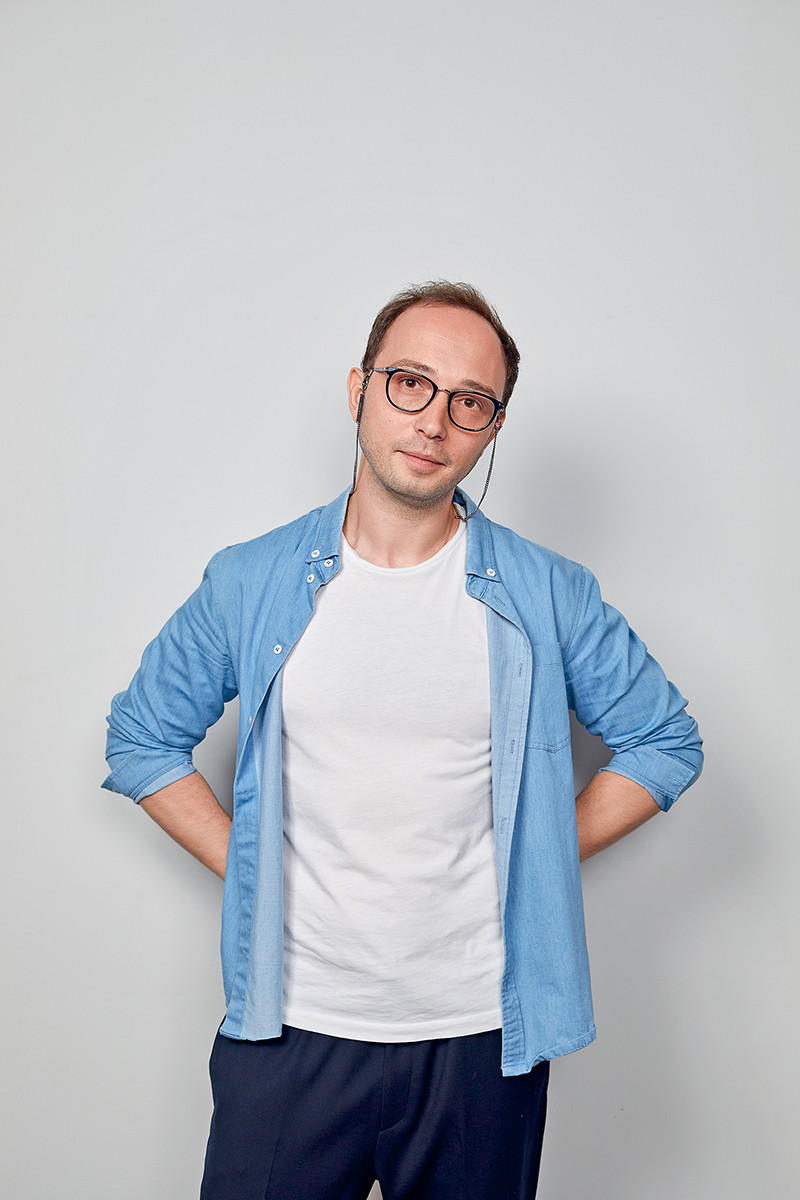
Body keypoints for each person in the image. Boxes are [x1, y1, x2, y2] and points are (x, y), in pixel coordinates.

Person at [103, 281, 703, 1199]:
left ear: (493, 428)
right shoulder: (250, 580)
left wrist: (536, 852)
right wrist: (255, 864)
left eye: (471, 401)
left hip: (479, 1039)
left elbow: (665, 741)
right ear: (360, 388)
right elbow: (141, 737)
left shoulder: (549, 592)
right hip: (291, 1027)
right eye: (411, 383)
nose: (434, 421)